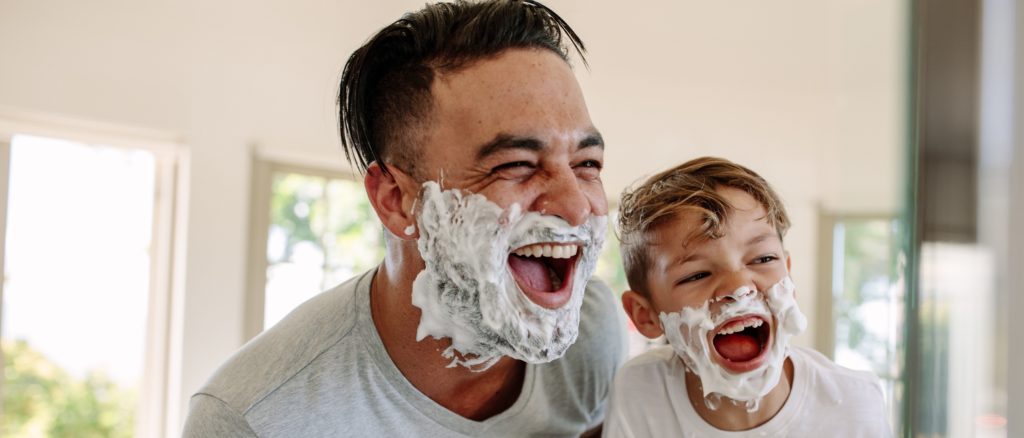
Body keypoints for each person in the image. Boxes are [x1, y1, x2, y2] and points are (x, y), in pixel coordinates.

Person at [182, 1, 626, 436]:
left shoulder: (590, 332)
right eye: (515, 165)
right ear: (396, 200)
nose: (576, 205)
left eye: (587, 163)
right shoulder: (254, 419)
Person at [603, 157, 891, 437]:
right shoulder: (639, 392)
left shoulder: (855, 405)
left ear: (787, 276)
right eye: (697, 275)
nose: (739, 287)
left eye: (763, 258)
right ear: (645, 315)